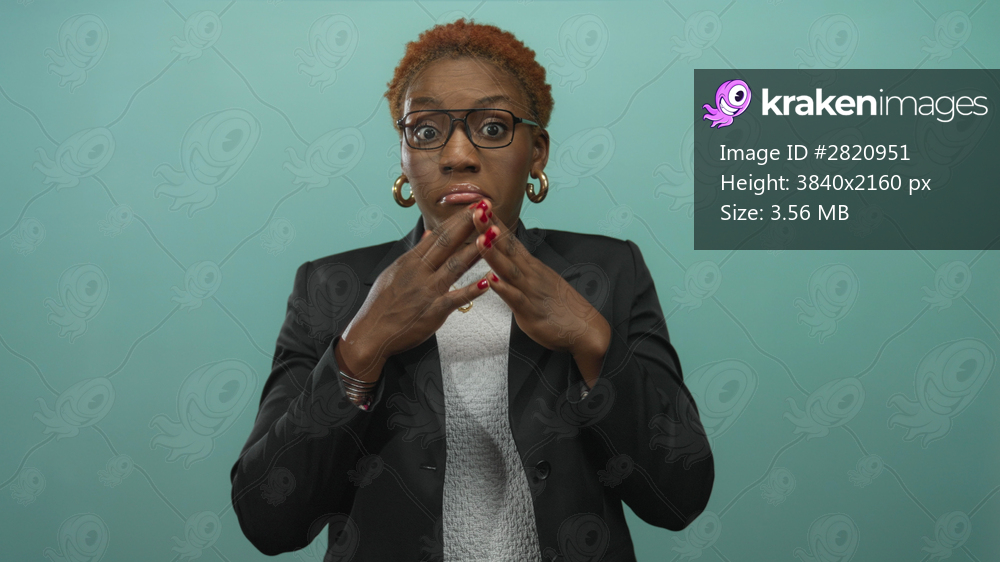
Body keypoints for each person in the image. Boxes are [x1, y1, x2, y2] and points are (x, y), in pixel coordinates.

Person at [230, 19, 713, 562]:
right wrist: (361, 346)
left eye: (492, 126)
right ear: (403, 155)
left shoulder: (611, 272)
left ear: (537, 152)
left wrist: (593, 342)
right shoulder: (329, 289)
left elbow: (680, 497)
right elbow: (268, 521)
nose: (458, 154)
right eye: (427, 131)